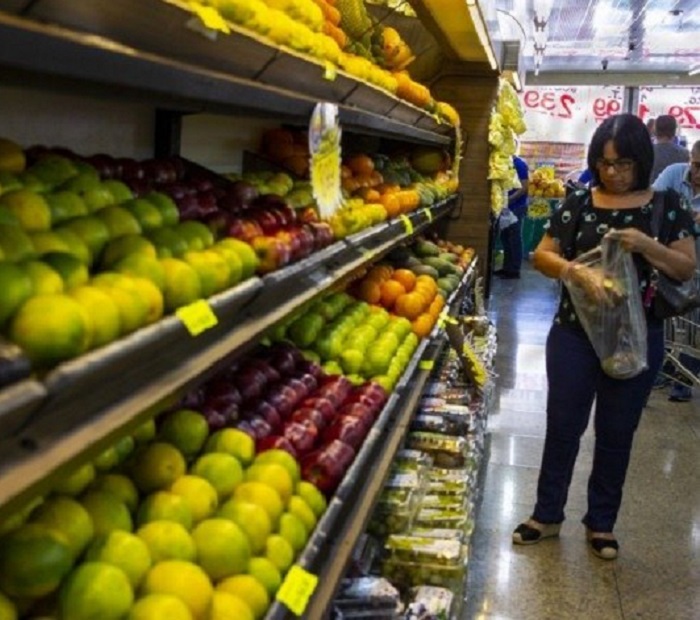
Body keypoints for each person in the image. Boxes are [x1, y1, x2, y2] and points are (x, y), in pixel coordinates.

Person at [512, 113, 696, 560]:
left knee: (617, 432)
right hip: (574, 334)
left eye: (623, 164)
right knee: (563, 426)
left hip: (638, 336)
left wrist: (646, 244)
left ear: (641, 161)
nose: (612, 172)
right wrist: (575, 272)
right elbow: (543, 255)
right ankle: (546, 514)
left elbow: (685, 267)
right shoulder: (579, 201)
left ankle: (601, 523)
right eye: (605, 163)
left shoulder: (666, 204)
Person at [651, 139, 700, 401]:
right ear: (690, 159)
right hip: (672, 262)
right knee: (667, 316)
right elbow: (654, 202)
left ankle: (684, 379)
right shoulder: (673, 173)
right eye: (697, 166)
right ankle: (664, 368)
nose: (699, 173)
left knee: (695, 324)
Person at [495, 154, 529, 279]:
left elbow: (524, 187)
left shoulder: (519, 164)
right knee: (506, 238)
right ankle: (507, 268)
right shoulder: (505, 164)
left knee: (514, 238)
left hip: (516, 207)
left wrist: (509, 199)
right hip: (507, 208)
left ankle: (514, 270)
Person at [649, 114, 689, 182]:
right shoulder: (684, 153)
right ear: (674, 130)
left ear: (655, 130)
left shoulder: (647, 151)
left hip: (651, 188)